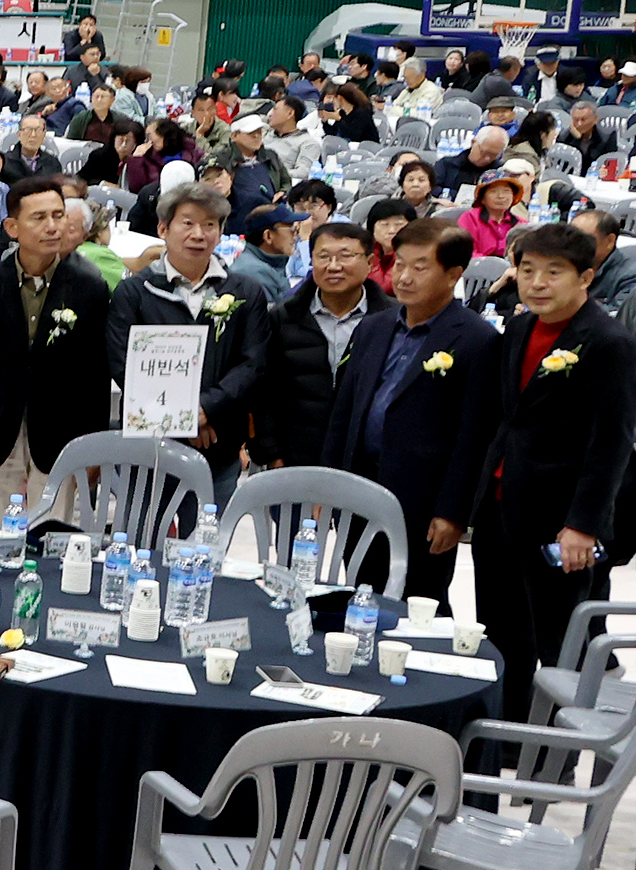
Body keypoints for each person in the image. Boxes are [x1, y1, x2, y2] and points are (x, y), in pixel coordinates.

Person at [469, 221, 636, 721]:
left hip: (560, 517)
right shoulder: (519, 327)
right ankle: (506, 735)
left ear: (586, 278)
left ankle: (556, 754)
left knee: (558, 639)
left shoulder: (608, 342)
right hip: (503, 504)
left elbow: (611, 443)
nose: (537, 282)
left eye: (553, 272)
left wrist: (583, 524)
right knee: (500, 630)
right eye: (527, 270)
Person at [323, 223, 499, 616]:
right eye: (399, 264)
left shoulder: (476, 339)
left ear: (454, 274)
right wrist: (329, 482)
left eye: (420, 267)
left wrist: (453, 511)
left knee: (420, 602)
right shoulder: (374, 326)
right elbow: (345, 411)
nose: (403, 276)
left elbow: (475, 436)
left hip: (423, 499)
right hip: (360, 486)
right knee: (360, 591)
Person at [0, 183, 112, 530]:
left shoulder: (89, 288)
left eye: (58, 216)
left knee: (51, 537)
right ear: (12, 227)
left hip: (60, 431)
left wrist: (93, 446)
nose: (52, 226)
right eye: (39, 217)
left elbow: (97, 375)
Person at [107, 186, 268, 503]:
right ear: (163, 229)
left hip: (218, 441)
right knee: (142, 542)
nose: (199, 234)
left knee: (206, 545)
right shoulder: (135, 293)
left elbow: (252, 363)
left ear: (221, 233)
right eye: (188, 223)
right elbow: (124, 364)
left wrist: (205, 409)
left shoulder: (246, 291)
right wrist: (183, 419)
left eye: (210, 225)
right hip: (151, 445)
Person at [253, 218, 384, 472]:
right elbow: (264, 391)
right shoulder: (283, 317)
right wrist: (271, 453)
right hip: (296, 458)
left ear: (370, 263)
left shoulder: (391, 320)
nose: (333, 266)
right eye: (323, 257)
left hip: (367, 462)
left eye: (345, 256)